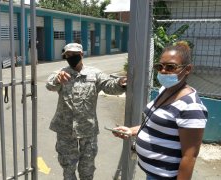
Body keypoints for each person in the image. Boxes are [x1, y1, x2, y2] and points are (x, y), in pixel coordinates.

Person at [112, 41, 208, 179]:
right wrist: (131, 130)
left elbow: (189, 157)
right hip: (151, 174)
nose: (163, 71)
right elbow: (154, 124)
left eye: (170, 67)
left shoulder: (191, 107)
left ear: (187, 69)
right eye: (160, 66)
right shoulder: (165, 90)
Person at [46, 43, 127, 180]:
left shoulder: (94, 74)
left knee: (87, 167)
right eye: (68, 55)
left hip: (87, 129)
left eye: (74, 54)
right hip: (65, 129)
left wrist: (121, 82)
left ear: (82, 55)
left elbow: (109, 86)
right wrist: (57, 79)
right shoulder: (61, 73)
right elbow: (50, 84)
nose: (71, 57)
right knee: (68, 167)